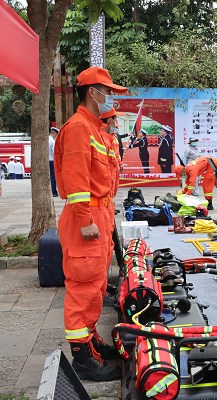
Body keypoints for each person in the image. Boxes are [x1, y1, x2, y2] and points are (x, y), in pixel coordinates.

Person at [54, 66, 127, 381]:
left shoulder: (94, 129)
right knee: (84, 287)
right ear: (92, 92)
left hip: (99, 215)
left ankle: (90, 339)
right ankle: (83, 358)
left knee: (96, 284)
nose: (110, 97)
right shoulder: (78, 128)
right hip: (86, 217)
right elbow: (76, 180)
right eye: (107, 91)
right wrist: (86, 220)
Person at [49, 127, 59, 197]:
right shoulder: (52, 141)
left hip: (46, 161)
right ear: (54, 133)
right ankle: (54, 192)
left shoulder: (45, 140)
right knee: (53, 177)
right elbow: (54, 152)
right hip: (52, 161)